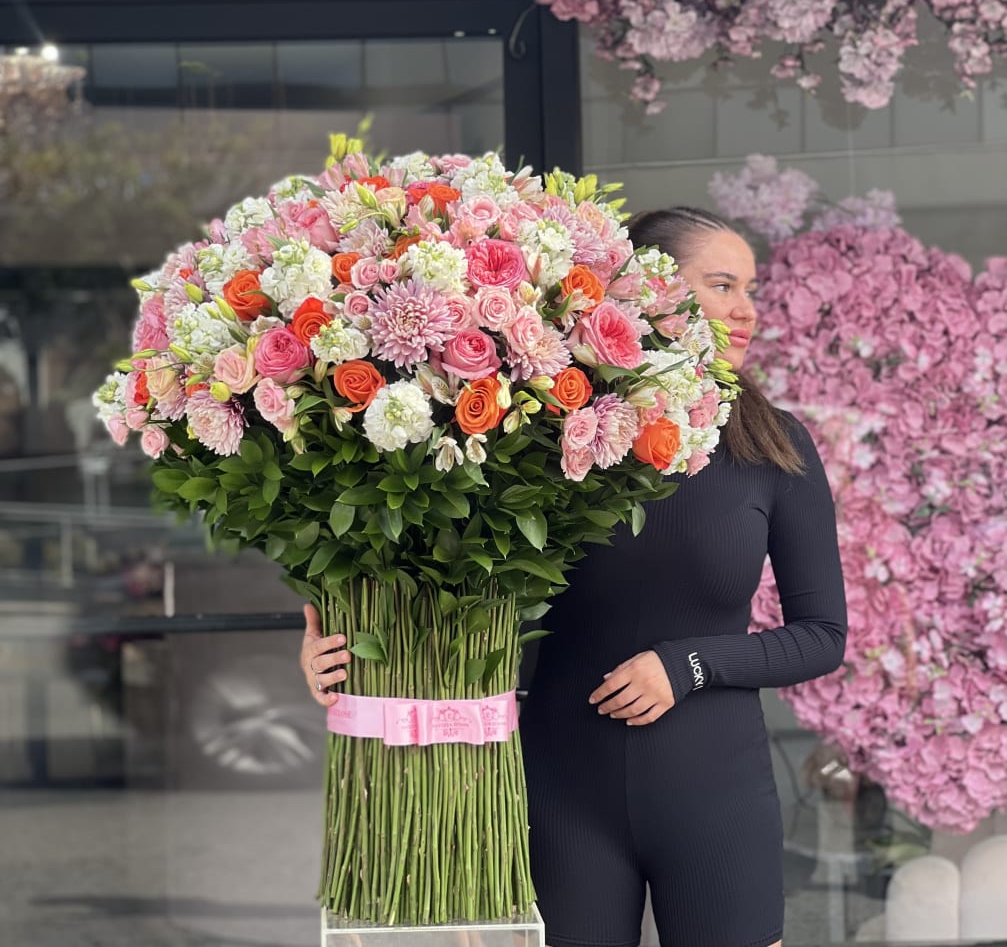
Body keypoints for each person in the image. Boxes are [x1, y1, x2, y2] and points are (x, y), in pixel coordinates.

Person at [300, 206, 848, 947]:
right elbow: (436, 586)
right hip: (560, 791)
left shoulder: (774, 446)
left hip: (715, 797)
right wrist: (343, 652)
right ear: (651, 290)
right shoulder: (548, 434)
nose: (745, 308)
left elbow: (821, 636)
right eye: (722, 284)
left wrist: (686, 663)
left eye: (749, 287)